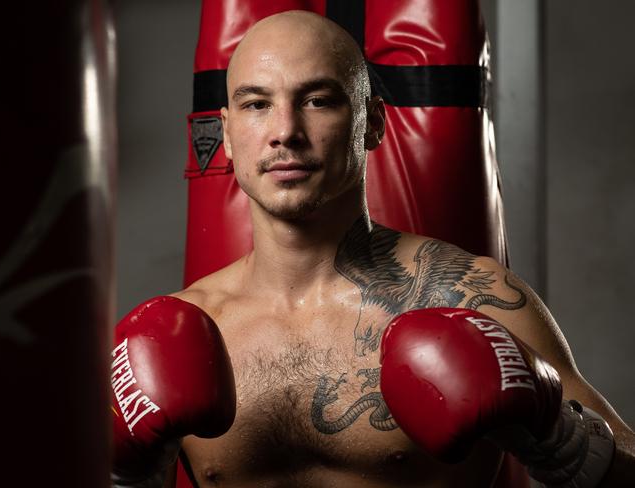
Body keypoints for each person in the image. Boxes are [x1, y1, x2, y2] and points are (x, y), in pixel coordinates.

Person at [112, 10, 635, 488]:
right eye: (257, 104)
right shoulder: (186, 328)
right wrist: (125, 475)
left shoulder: (471, 298)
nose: (285, 132)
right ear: (225, 135)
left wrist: (558, 433)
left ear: (374, 122)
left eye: (318, 100)